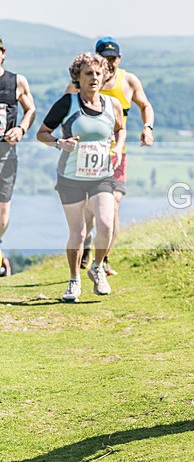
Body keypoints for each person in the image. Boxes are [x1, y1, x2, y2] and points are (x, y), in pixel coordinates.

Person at [37, 52, 125, 302]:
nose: (94, 78)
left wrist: (118, 147)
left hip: (102, 177)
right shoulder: (67, 103)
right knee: (78, 232)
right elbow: (41, 133)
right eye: (88, 73)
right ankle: (74, 281)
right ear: (78, 76)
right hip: (71, 177)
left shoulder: (112, 105)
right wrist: (59, 143)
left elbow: (121, 129)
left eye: (99, 73)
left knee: (106, 224)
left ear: (105, 76)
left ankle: (97, 268)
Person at [66, 37, 155, 275]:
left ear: (119, 59)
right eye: (104, 59)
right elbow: (66, 107)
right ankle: (85, 244)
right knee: (88, 209)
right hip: (85, 155)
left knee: (112, 206)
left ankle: (102, 260)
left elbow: (145, 105)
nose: (109, 63)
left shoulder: (128, 80)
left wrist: (148, 127)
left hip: (116, 155)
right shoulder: (85, 80)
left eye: (113, 59)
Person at [0, 36, 37, 276]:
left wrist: (21, 128)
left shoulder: (16, 82)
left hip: (5, 154)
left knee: (2, 215)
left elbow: (30, 109)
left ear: (3, 52)